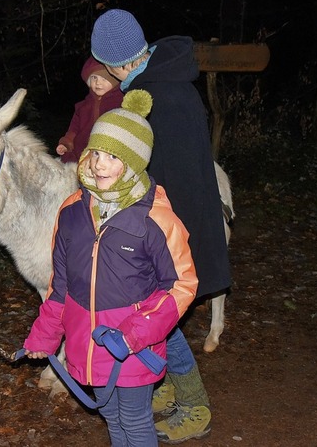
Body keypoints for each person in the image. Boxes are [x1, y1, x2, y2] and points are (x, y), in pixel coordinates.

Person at [23, 89, 198, 446]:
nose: (99, 164)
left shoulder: (154, 219)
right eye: (96, 153)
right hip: (86, 343)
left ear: (134, 163)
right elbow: (61, 285)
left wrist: (135, 332)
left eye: (113, 157)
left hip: (132, 345)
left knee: (133, 419)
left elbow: (181, 285)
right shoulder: (71, 212)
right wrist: (44, 334)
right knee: (113, 418)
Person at [91, 9, 233, 443]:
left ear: (115, 64)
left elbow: (154, 173)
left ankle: (195, 406)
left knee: (158, 318)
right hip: (178, 220)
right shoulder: (169, 81)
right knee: (152, 316)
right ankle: (165, 386)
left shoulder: (153, 98)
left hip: (169, 229)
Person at [56, 55, 123, 163]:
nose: (98, 82)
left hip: (109, 156)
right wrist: (66, 143)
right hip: (81, 155)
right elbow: (73, 130)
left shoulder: (121, 103)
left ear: (115, 81)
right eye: (94, 78)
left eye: (104, 78)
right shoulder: (82, 107)